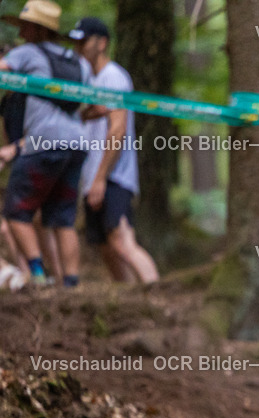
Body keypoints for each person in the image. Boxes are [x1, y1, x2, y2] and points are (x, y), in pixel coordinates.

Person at [0, 0, 88, 288]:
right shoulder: (78, 61)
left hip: (43, 141)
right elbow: (87, 104)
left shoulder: (26, 53)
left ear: (37, 29)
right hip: (77, 143)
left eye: (25, 25)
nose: (21, 31)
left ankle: (38, 277)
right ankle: (70, 285)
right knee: (62, 219)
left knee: (16, 212)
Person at [71, 17, 157, 283]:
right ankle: (130, 298)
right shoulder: (89, 79)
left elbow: (117, 130)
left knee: (122, 241)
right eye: (76, 42)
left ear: (102, 43)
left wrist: (100, 178)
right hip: (94, 175)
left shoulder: (114, 77)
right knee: (105, 246)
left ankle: (156, 293)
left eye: (84, 41)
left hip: (114, 175)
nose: (79, 47)